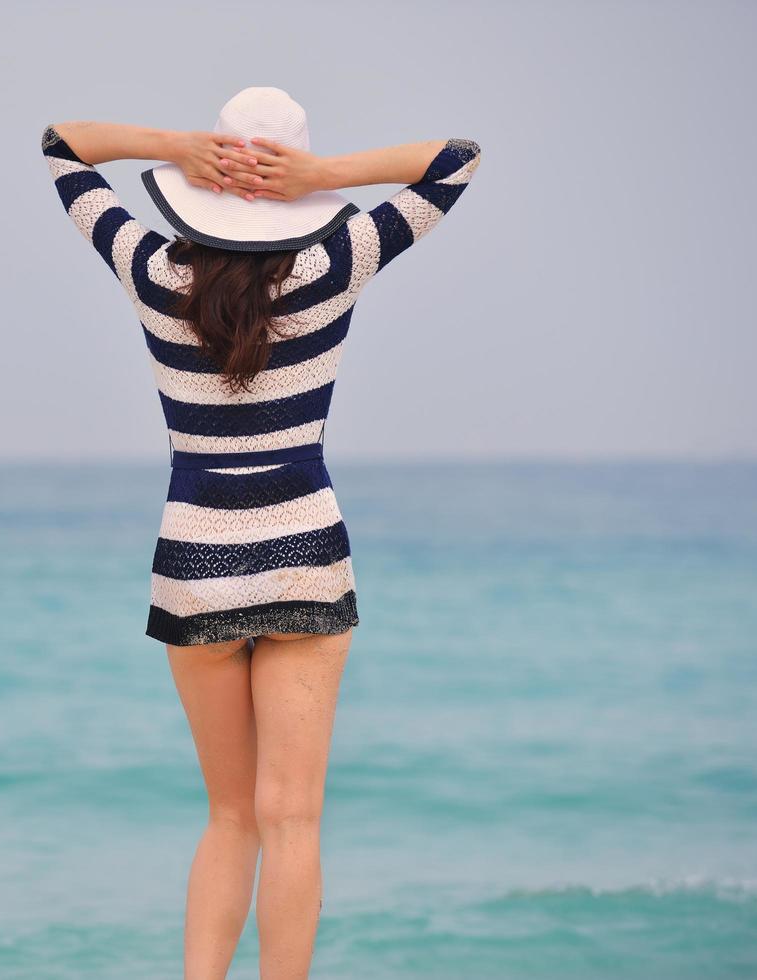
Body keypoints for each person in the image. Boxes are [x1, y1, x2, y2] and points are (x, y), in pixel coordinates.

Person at [39, 86, 481, 979]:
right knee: (292, 821)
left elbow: (60, 147)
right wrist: (323, 177)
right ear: (289, 185)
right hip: (303, 551)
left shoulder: (149, 268)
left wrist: (174, 145)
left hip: (193, 556)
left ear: (197, 184)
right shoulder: (337, 261)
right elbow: (456, 159)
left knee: (228, 817)